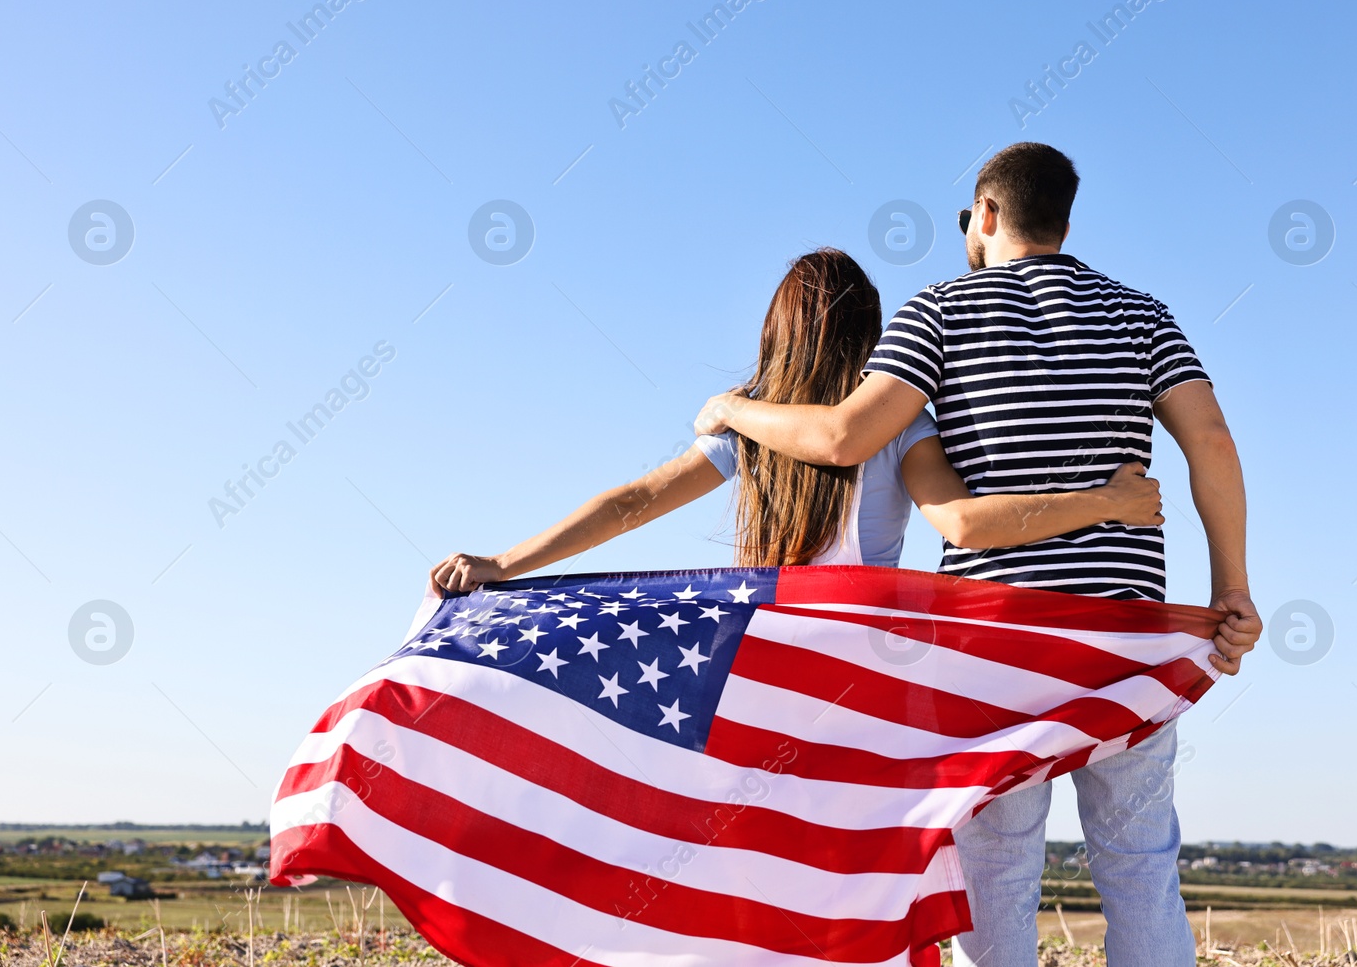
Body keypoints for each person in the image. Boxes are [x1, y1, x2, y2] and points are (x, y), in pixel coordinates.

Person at [692, 144, 1262, 967]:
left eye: (968, 221)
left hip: (996, 636)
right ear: (1063, 222)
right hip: (1128, 630)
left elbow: (843, 435)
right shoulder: (1142, 313)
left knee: (994, 870)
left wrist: (731, 410)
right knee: (1139, 865)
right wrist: (1232, 588)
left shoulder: (938, 311)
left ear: (987, 214)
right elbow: (1211, 439)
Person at [432, 248, 1164, 593]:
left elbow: (631, 504)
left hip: (764, 652)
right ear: (874, 338)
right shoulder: (905, 427)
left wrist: (504, 564)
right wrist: (1108, 502)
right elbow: (965, 525)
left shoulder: (748, 427)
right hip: (862, 666)